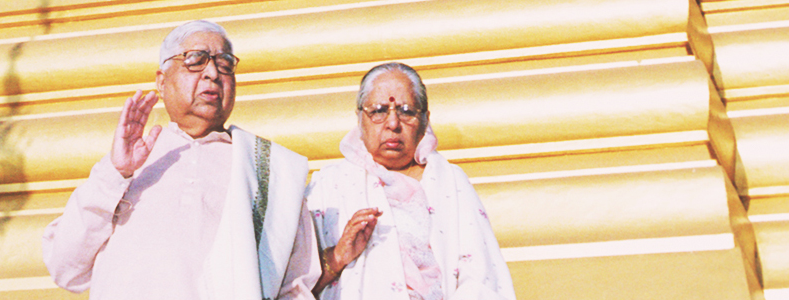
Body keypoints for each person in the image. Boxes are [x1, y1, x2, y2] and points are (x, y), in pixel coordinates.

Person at [42, 20, 319, 300]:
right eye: (196, 60)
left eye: (224, 63)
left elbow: (295, 286)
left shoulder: (266, 171)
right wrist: (116, 173)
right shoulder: (127, 164)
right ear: (162, 81)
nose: (212, 73)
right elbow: (66, 268)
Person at [305, 62, 516, 300]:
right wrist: (337, 256)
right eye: (378, 111)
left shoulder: (450, 182)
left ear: (425, 120)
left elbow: (481, 277)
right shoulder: (329, 184)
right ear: (360, 118)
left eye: (406, 111)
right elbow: (286, 285)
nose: (393, 124)